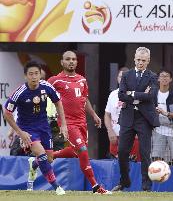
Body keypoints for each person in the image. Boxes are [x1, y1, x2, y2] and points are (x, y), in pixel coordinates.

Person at [47, 51, 111, 194]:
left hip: (82, 122)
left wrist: (94, 115)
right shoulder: (55, 80)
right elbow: (42, 93)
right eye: (68, 59)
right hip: (67, 123)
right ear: (62, 62)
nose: (71, 62)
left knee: (77, 153)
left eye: (74, 59)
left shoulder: (82, 80)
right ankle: (96, 187)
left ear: (77, 62)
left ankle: (49, 156)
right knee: (82, 150)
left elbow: (84, 99)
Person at [3, 61, 67, 195]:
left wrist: (64, 125)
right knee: (42, 155)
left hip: (44, 127)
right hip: (27, 130)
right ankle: (57, 187)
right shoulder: (20, 92)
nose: (34, 77)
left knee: (49, 158)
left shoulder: (46, 86)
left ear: (40, 74)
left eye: (36, 73)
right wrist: (19, 133)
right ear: (26, 76)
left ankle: (34, 165)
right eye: (31, 74)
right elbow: (7, 113)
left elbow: (58, 102)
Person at [112, 47, 160, 191]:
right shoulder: (126, 75)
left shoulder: (152, 76)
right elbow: (121, 95)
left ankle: (146, 186)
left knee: (145, 153)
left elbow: (151, 96)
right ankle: (124, 181)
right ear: (134, 59)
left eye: (143, 60)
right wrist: (140, 95)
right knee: (122, 152)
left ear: (148, 61)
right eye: (138, 60)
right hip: (127, 117)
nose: (140, 63)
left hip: (144, 119)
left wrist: (131, 94)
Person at [151, 69, 173, 187]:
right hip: (158, 129)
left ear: (170, 79)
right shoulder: (153, 93)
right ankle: (156, 181)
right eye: (162, 76)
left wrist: (167, 114)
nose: (164, 78)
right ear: (158, 79)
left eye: (167, 76)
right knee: (156, 156)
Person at [104, 67, 141, 161]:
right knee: (116, 167)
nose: (123, 79)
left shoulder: (136, 94)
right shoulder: (112, 94)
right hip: (115, 136)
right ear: (117, 78)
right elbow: (107, 115)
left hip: (132, 137)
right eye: (121, 77)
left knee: (133, 167)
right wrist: (110, 131)